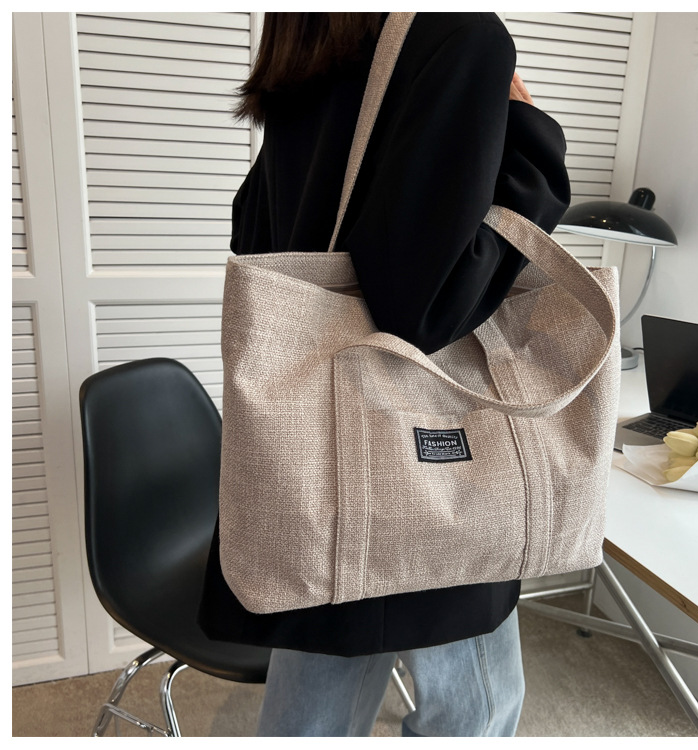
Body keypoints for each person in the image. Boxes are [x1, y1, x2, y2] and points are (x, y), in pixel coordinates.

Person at [199, 11, 570, 737]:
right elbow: (424, 308)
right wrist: (531, 139)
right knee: (478, 708)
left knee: (320, 691)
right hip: (423, 453)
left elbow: (255, 231)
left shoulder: (312, 43)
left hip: (313, 451)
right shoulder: (458, 36)